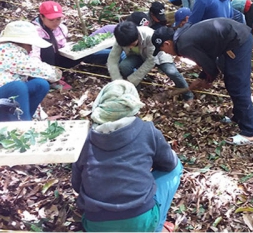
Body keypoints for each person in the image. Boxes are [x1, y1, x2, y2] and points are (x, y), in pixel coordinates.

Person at [72, 80, 183, 232]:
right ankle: (157, 227)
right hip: (140, 222)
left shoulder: (87, 139)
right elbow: (169, 164)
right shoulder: (147, 130)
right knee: (177, 167)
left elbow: (77, 184)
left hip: (96, 224)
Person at [151, 19, 253, 146]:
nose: (165, 53)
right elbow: (208, 57)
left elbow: (210, 66)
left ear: (167, 43)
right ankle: (239, 117)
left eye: (163, 50)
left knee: (238, 85)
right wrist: (203, 78)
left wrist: (207, 80)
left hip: (237, 40)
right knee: (231, 81)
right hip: (231, 39)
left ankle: (250, 132)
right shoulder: (182, 36)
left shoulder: (184, 45)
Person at [107, 21, 193, 101]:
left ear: (137, 36)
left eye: (131, 44)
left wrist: (132, 80)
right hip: (137, 56)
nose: (129, 47)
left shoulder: (149, 35)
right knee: (124, 66)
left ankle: (188, 96)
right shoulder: (121, 39)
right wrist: (117, 82)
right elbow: (112, 59)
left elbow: (151, 60)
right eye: (127, 46)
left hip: (159, 54)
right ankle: (134, 89)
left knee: (172, 72)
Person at [0, 21, 62, 121]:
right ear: (23, 43)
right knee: (17, 87)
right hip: (4, 96)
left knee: (40, 84)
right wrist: (57, 73)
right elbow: (44, 70)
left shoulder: (15, 52)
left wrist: (42, 118)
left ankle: (27, 121)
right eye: (30, 45)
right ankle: (23, 129)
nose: (32, 49)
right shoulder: (7, 52)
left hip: (5, 98)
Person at [31, 1, 109, 70]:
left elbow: (62, 46)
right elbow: (34, 55)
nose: (55, 22)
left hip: (59, 58)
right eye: (51, 20)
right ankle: (52, 76)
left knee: (84, 51)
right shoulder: (34, 31)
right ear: (41, 17)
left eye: (58, 19)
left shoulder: (62, 28)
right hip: (43, 63)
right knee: (47, 46)